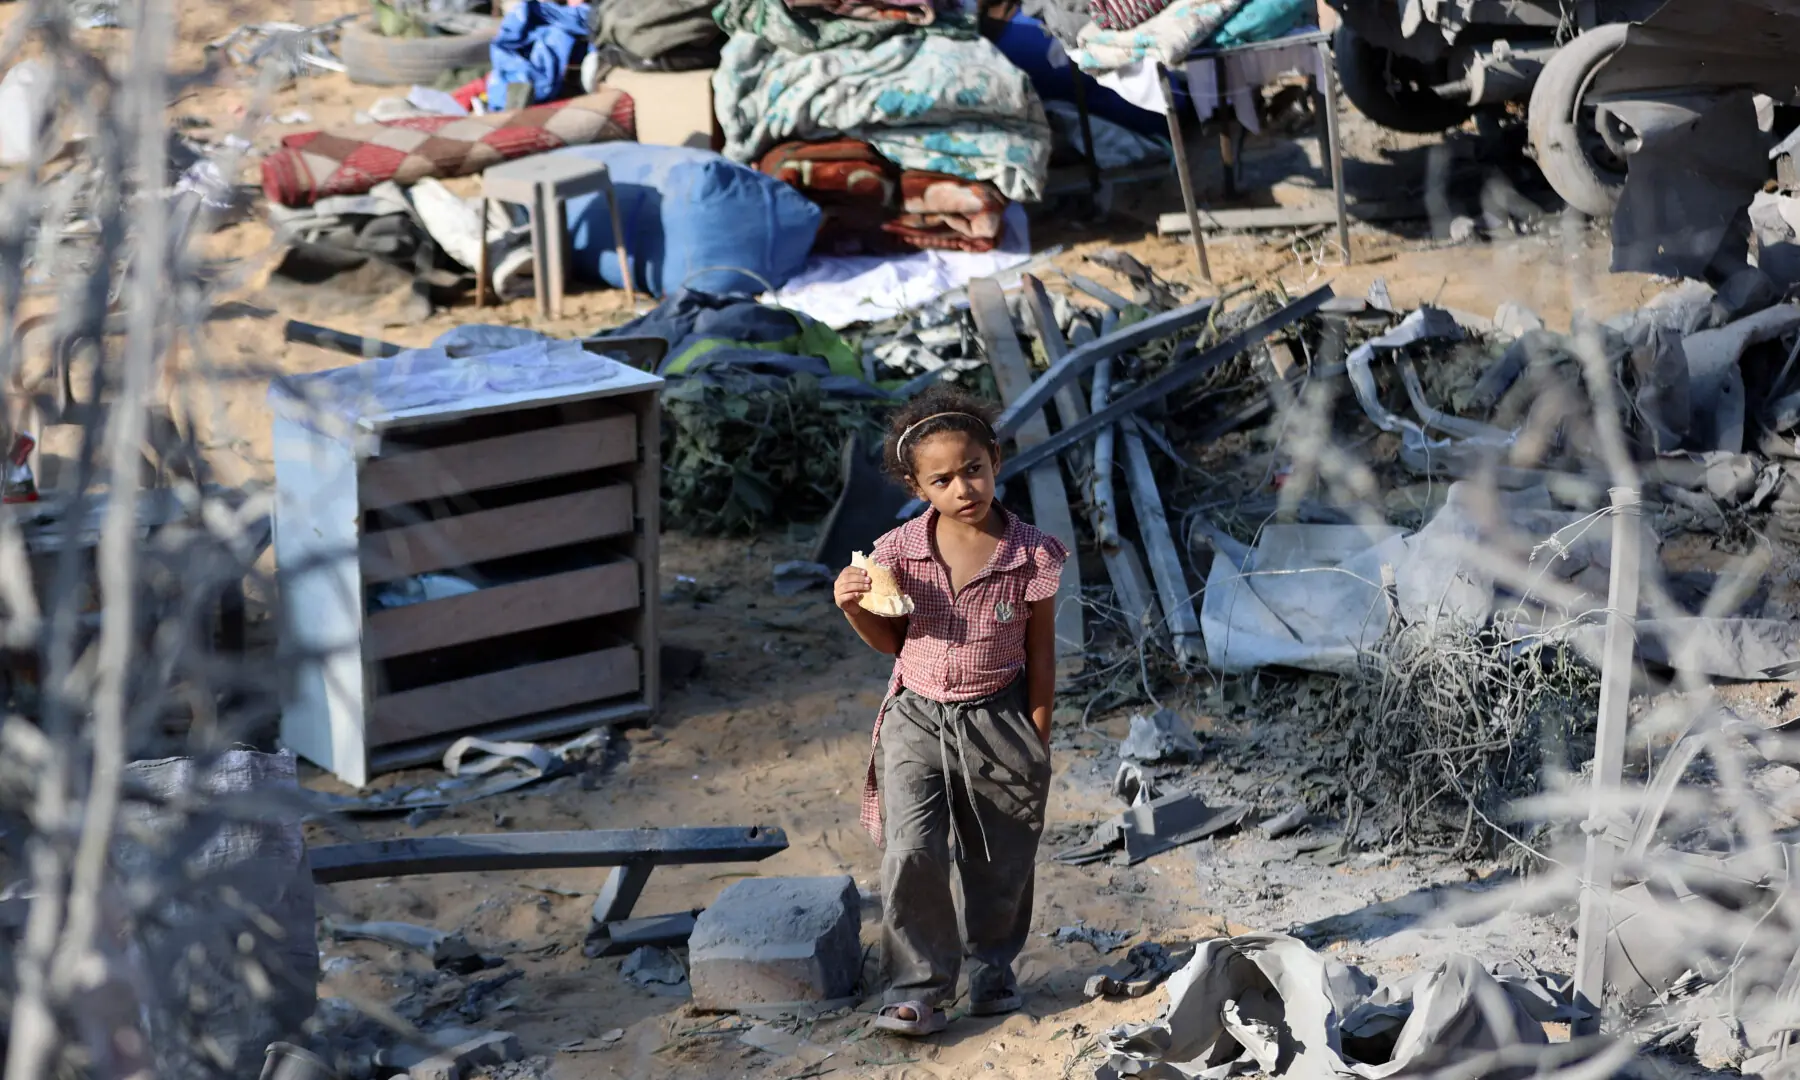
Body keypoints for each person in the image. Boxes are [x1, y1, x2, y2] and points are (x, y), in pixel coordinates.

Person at [833, 384, 1067, 1037]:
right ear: (917, 486)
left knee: (1000, 860)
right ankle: (918, 988)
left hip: (1001, 718)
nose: (963, 488)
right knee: (912, 852)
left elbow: (1042, 655)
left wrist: (1037, 738)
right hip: (916, 716)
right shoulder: (897, 552)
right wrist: (852, 607)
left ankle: (992, 970)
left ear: (996, 460)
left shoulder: (1032, 554)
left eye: (974, 469)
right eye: (942, 480)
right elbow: (892, 640)